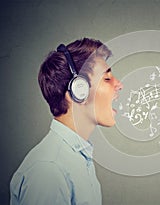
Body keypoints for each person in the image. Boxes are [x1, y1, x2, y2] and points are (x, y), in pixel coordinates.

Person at [10, 38, 123, 204]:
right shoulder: (49, 170)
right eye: (107, 79)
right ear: (78, 91)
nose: (119, 84)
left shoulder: (75, 159)